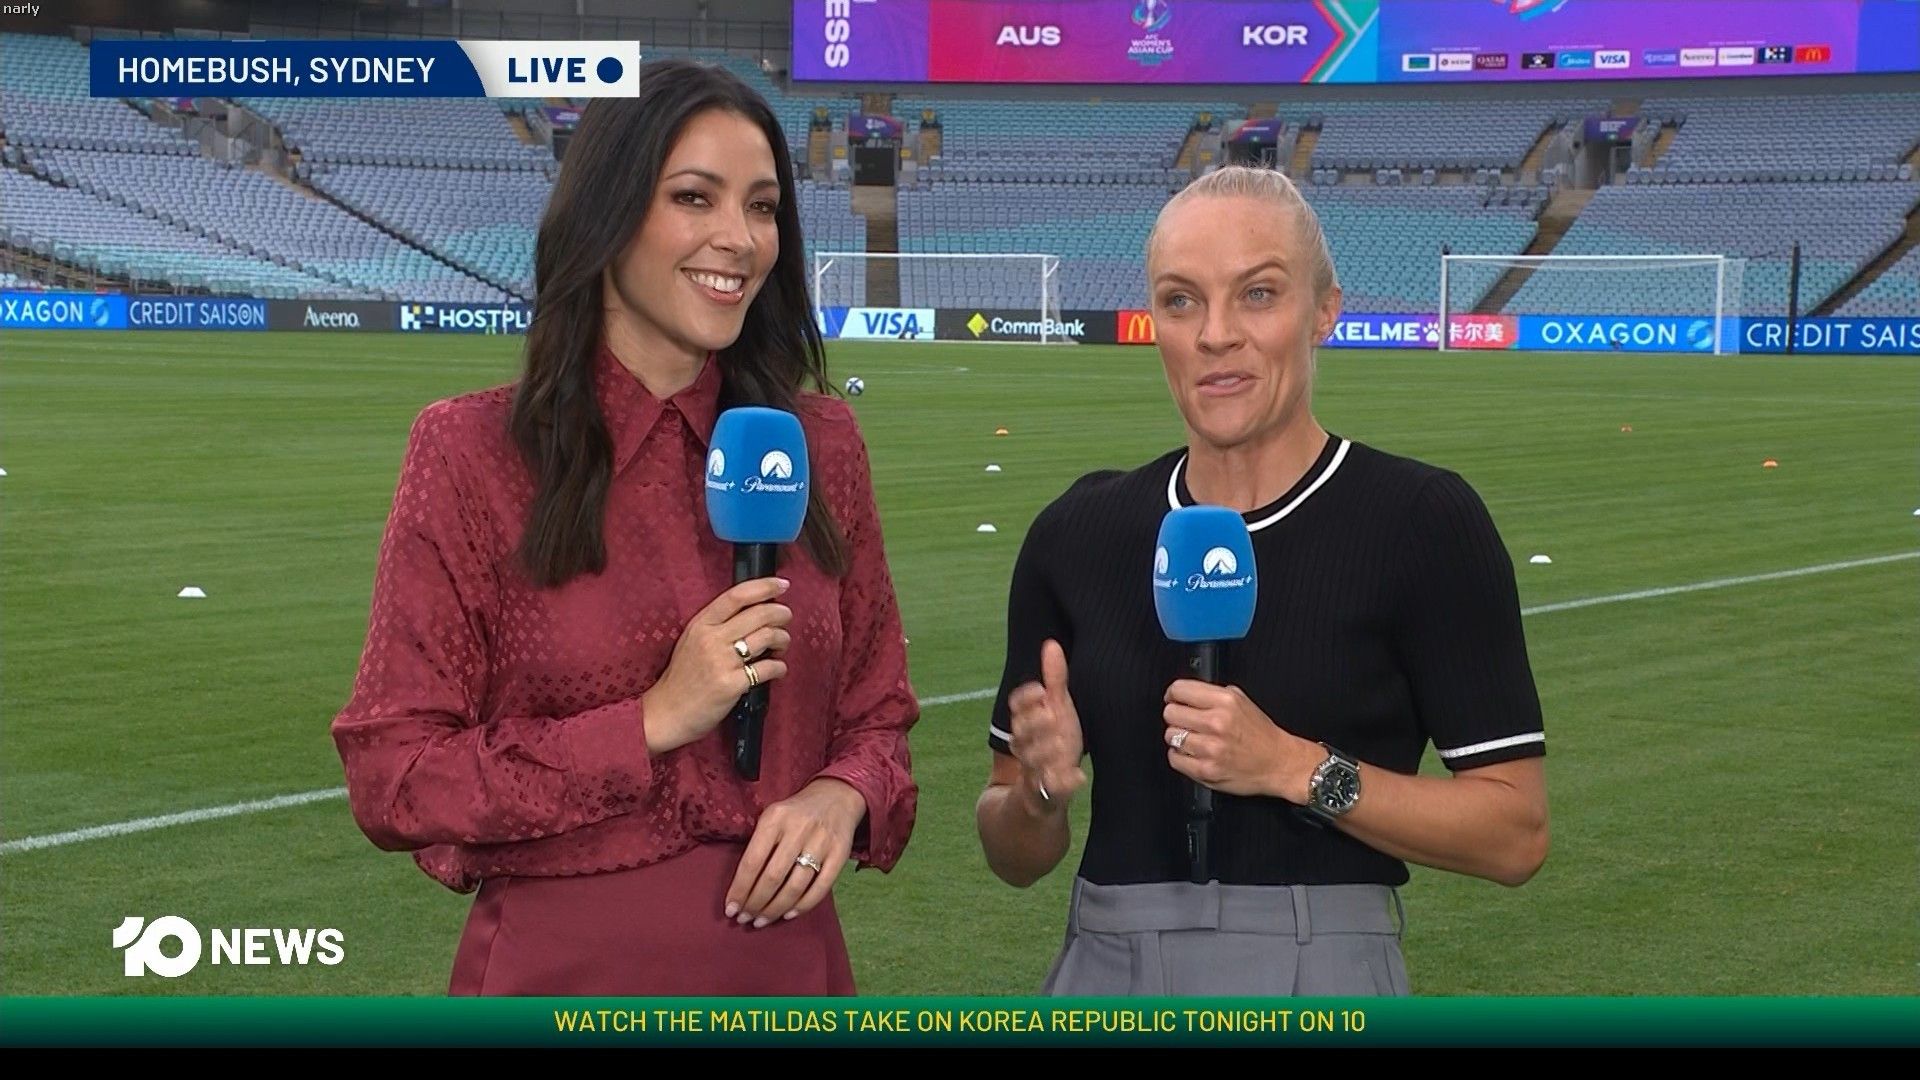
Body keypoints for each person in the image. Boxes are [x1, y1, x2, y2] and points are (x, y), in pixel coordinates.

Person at [331, 60, 917, 996]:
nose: (739, 240)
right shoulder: (472, 453)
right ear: (605, 213)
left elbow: (879, 720)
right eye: (694, 197)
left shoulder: (820, 446)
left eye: (763, 208)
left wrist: (840, 795)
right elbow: (395, 776)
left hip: (787, 973)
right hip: (558, 973)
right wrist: (650, 721)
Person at [975, 165, 1548, 996]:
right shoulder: (1077, 534)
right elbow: (1012, 855)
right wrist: (1037, 795)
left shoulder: (1420, 521)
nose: (1216, 335)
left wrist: (1295, 768)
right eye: (1181, 300)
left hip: (1324, 969)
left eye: (1258, 294)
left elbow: (1515, 833)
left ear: (1323, 311)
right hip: (1102, 965)